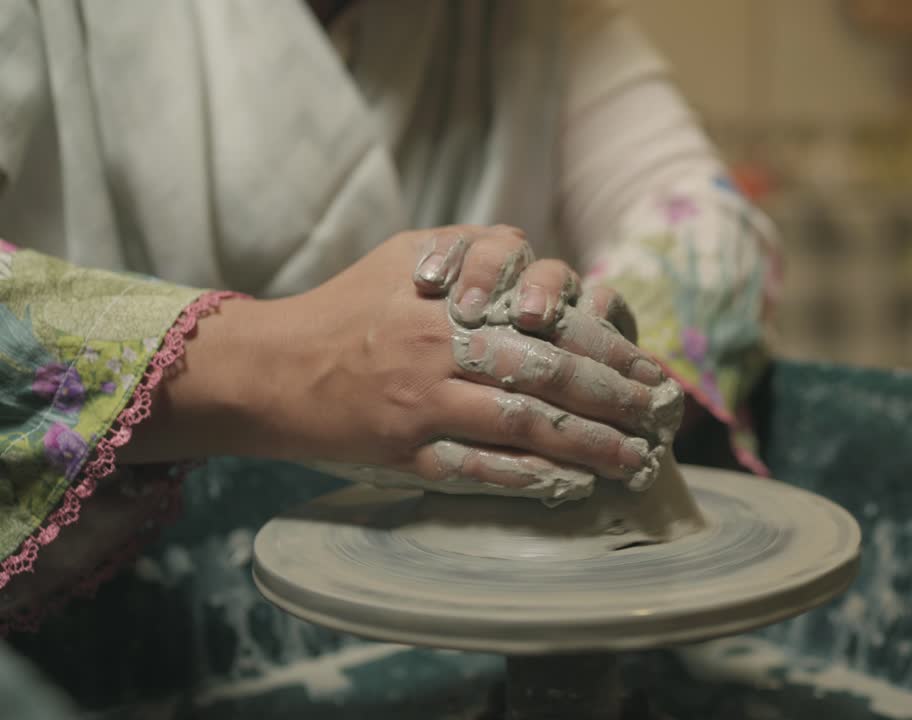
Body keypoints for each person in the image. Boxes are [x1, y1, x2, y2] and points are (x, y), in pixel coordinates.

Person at [0, 0, 779, 631]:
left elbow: (704, 224)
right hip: (99, 612)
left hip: (465, 600)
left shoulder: (525, 24)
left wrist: (590, 376)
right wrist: (281, 366)